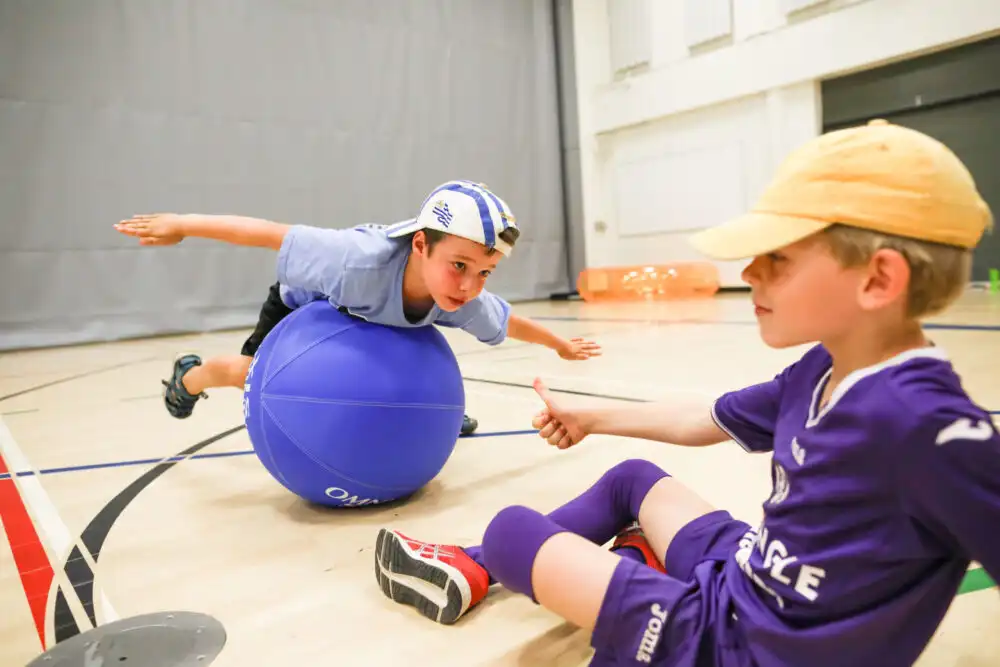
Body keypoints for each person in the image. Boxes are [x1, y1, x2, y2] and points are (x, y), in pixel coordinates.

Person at [371, 120, 1000, 667]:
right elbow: (707, 417)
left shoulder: (933, 427)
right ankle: (496, 567)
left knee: (514, 530)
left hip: (735, 645)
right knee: (633, 479)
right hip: (749, 574)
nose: (749, 273)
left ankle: (510, 567)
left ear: (878, 278)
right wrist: (590, 416)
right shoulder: (825, 369)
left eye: (776, 258)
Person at [114, 180, 601, 436]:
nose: (471, 284)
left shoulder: (458, 297)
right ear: (419, 246)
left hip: (371, 324)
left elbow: (507, 319)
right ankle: (190, 377)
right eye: (459, 265)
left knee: (407, 357)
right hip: (306, 311)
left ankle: (434, 416)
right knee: (247, 373)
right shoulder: (355, 261)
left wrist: (559, 345)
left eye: (485, 272)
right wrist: (181, 223)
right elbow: (268, 233)